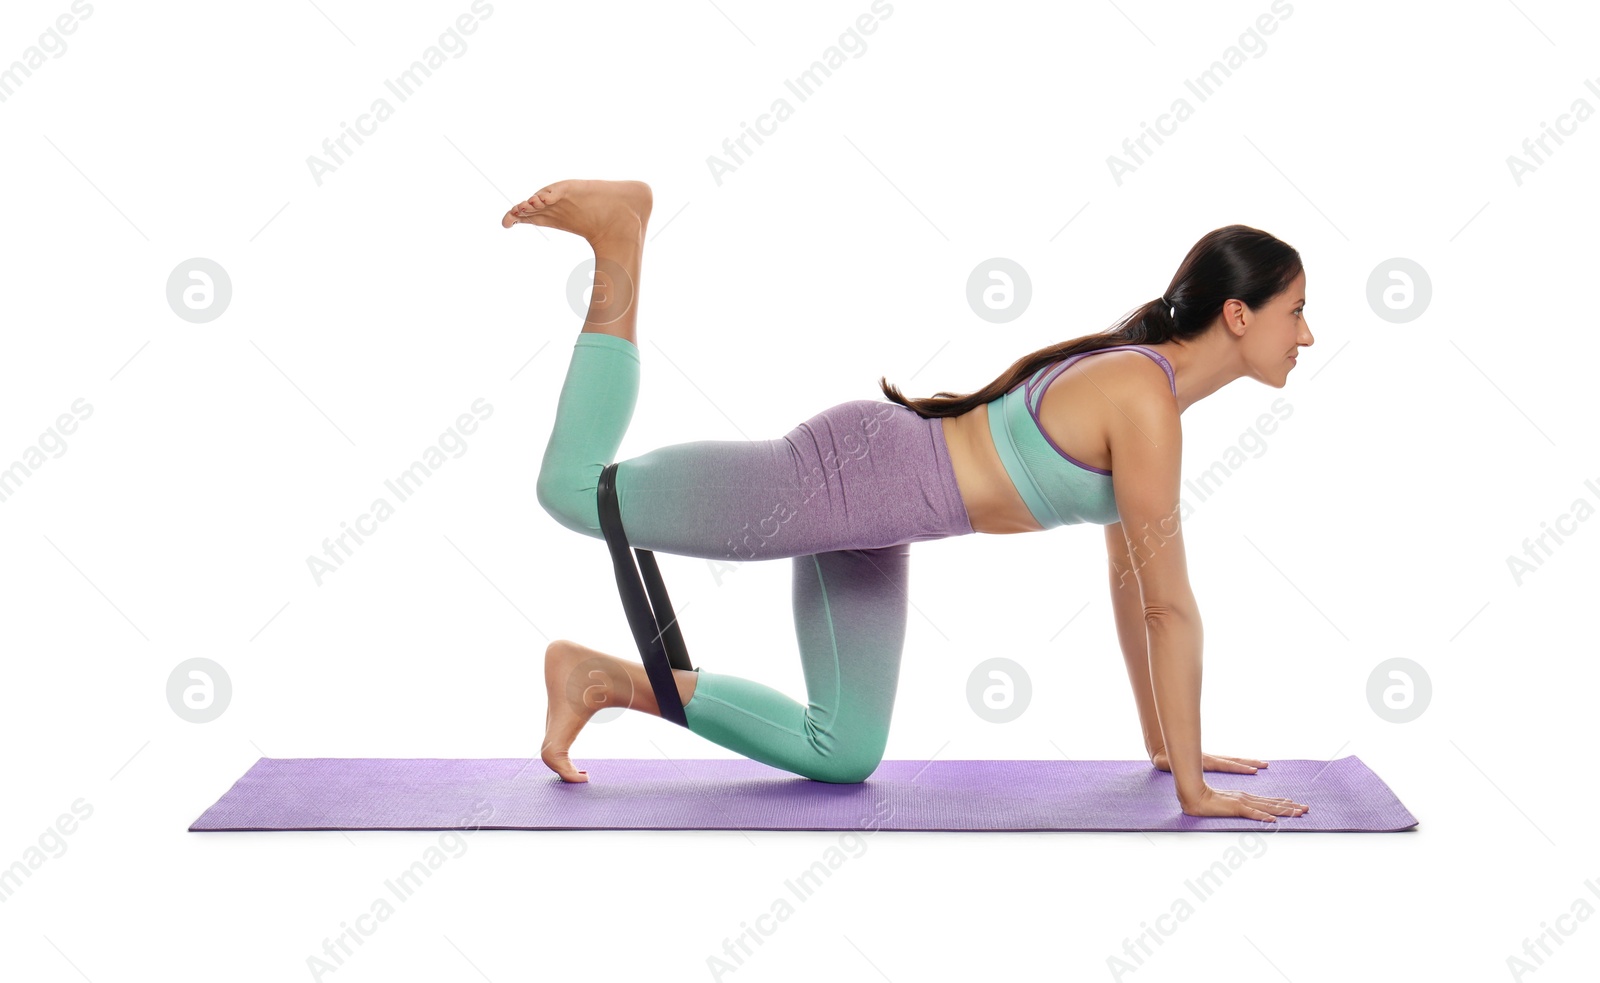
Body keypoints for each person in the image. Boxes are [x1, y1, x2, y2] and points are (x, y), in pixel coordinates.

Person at [508, 179, 1311, 824]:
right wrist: (1195, 790)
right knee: (574, 491)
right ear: (1238, 315)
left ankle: (600, 680)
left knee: (842, 748)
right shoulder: (1144, 396)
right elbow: (1171, 607)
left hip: (881, 516)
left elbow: (1136, 584)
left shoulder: (1149, 399)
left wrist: (1168, 746)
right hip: (846, 476)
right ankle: (619, 234)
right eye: (1296, 312)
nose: (1305, 336)